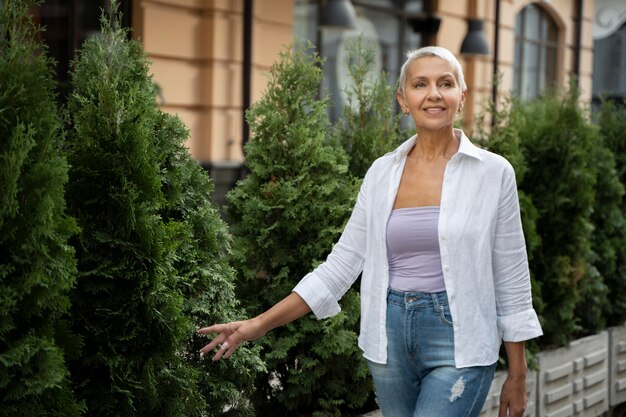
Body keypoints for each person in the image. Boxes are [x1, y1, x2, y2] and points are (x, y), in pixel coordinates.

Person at [198, 46, 543, 417]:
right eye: (420, 84)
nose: (434, 94)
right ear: (403, 100)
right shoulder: (382, 173)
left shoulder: (493, 173)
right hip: (389, 339)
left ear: (462, 96)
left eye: (446, 83)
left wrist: (517, 372)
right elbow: (341, 265)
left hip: (461, 341)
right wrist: (259, 324)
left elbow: (511, 275)